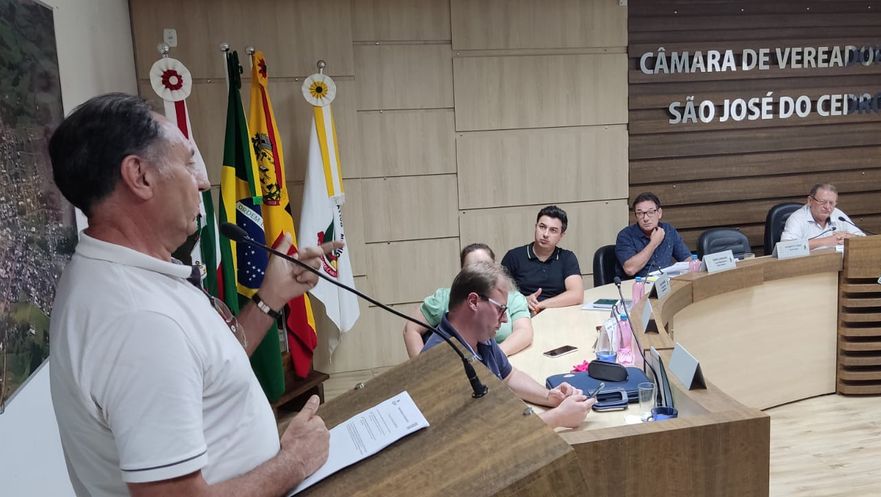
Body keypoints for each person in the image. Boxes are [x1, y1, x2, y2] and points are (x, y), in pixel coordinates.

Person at [47, 93, 334, 497]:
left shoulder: (124, 272)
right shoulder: (139, 321)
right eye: (186, 163)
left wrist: (271, 296)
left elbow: (207, 367)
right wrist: (295, 461)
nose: (202, 181)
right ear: (140, 176)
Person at [421, 261, 595, 429]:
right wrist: (558, 417)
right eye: (500, 309)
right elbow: (487, 434)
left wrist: (549, 396)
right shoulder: (441, 361)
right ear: (473, 301)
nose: (504, 319)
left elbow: (509, 376)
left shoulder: (479, 335)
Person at [403, 243, 532, 357]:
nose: (480, 274)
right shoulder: (445, 297)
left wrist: (495, 358)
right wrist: (421, 367)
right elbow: (411, 329)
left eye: (486, 267)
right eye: (473, 269)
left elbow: (524, 331)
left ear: (496, 268)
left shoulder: (513, 297)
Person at [501, 206, 583, 314]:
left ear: (561, 235)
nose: (545, 234)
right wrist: (523, 300)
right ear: (535, 227)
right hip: (523, 313)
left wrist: (542, 305)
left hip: (559, 313)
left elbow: (577, 295)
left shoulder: (567, 257)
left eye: (553, 230)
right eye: (542, 227)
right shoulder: (514, 256)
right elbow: (497, 293)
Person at [615, 192, 691, 278]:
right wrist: (654, 243)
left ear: (659, 213)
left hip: (666, 282)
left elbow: (686, 259)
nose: (645, 218)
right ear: (636, 216)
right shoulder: (625, 236)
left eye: (650, 212)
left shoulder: (668, 230)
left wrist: (696, 265)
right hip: (638, 284)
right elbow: (630, 269)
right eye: (640, 213)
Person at [781, 183, 866, 249]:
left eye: (831, 203)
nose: (827, 207)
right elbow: (786, 248)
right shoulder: (797, 218)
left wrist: (850, 238)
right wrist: (826, 241)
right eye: (823, 202)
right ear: (810, 201)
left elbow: (863, 239)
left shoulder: (838, 215)